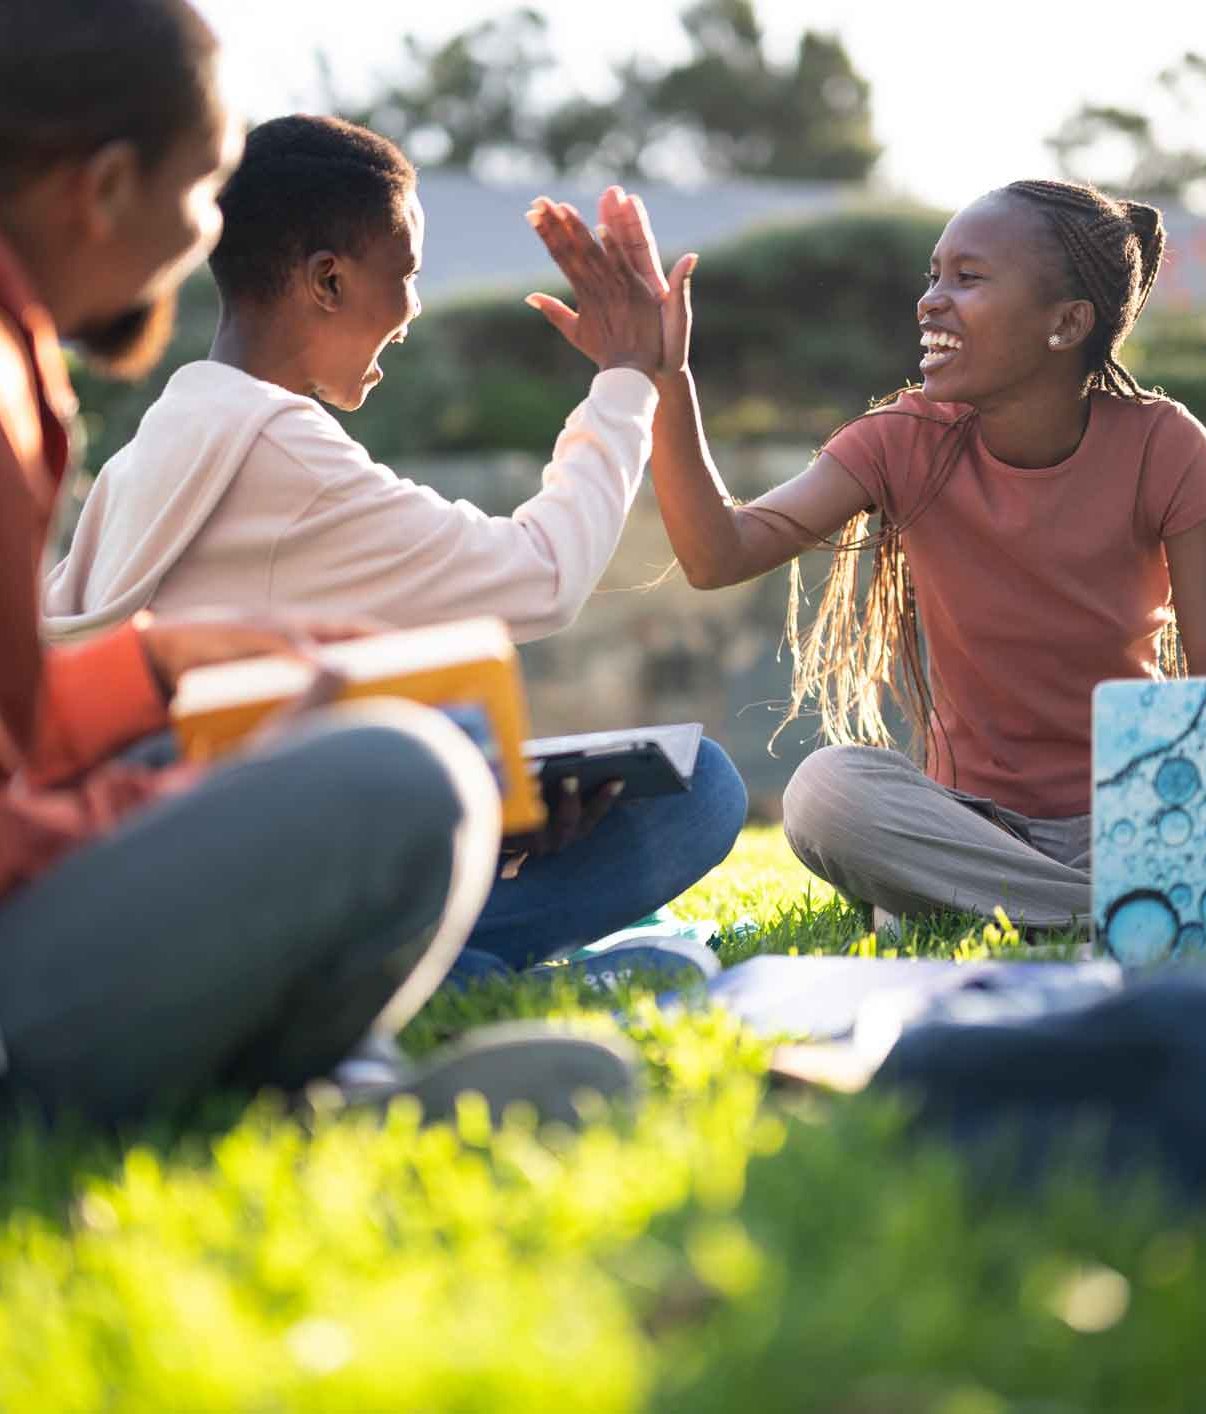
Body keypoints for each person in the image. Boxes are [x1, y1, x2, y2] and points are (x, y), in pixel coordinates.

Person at [0, 0, 635, 1128]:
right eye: (199, 192)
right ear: (98, 188)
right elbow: (540, 576)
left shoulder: (94, 404)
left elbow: (22, 715)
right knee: (404, 776)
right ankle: (340, 1059)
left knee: (443, 776)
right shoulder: (240, 429)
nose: (204, 237)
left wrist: (160, 665)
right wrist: (178, 797)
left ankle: (328, 1064)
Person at [44, 114, 748, 972]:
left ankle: (453, 958)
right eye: (406, 274)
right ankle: (450, 967)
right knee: (699, 789)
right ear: (328, 282)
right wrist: (629, 379)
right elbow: (544, 577)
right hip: (258, 879)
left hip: (187, 853)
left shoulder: (157, 441)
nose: (412, 310)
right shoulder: (280, 449)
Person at [570, 178, 1206, 933]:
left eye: (968, 279)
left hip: (1131, 813)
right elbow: (718, 555)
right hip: (971, 827)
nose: (931, 299)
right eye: (934, 275)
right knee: (826, 791)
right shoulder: (903, 440)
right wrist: (666, 380)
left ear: (1066, 323)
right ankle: (1106, 915)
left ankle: (1033, 903)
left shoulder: (1163, 445)